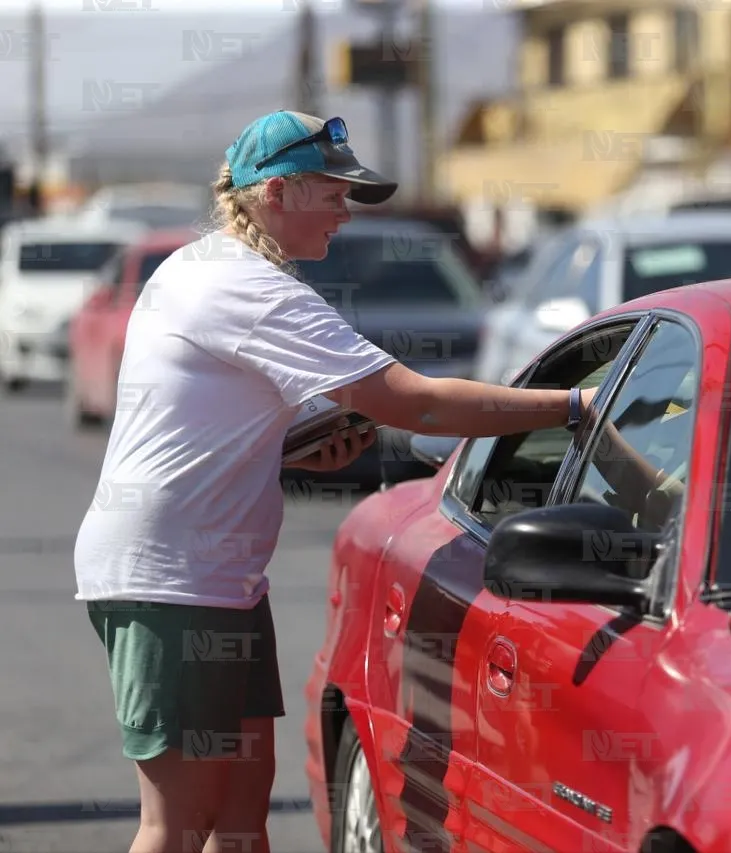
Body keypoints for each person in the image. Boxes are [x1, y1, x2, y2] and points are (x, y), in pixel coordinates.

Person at [72, 112, 594, 853]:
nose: (346, 214)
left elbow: (191, 424)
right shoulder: (245, 286)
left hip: (214, 578)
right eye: (335, 194)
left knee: (242, 823)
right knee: (177, 827)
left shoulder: (205, 267)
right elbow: (411, 400)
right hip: (172, 580)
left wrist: (283, 448)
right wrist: (572, 406)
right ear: (278, 192)